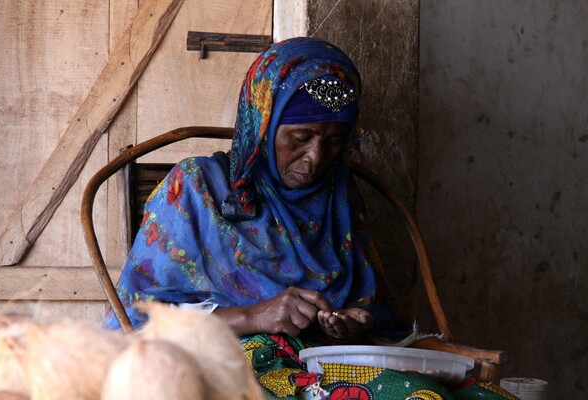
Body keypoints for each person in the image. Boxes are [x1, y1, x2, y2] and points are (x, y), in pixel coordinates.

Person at [104, 37, 516, 400]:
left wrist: (356, 321)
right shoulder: (197, 189)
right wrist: (254, 315)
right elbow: (133, 322)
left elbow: (378, 310)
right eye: (299, 138)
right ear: (263, 126)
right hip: (232, 367)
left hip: (338, 364)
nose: (316, 159)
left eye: (335, 142)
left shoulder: (339, 193)